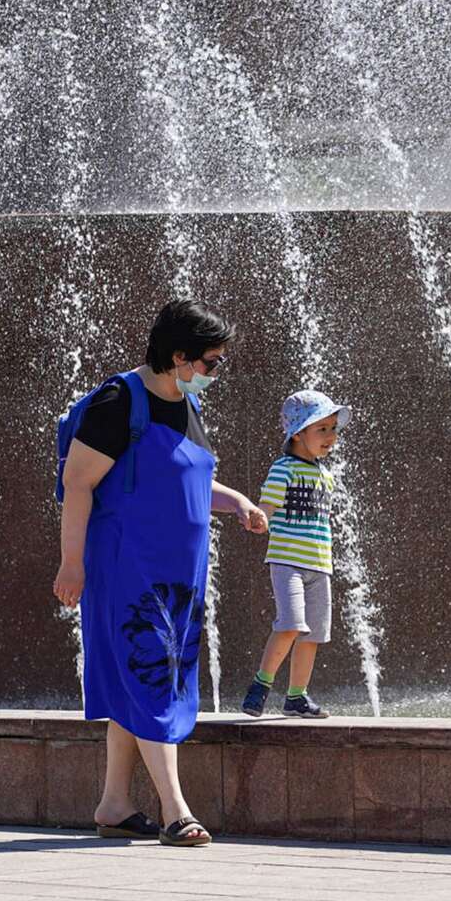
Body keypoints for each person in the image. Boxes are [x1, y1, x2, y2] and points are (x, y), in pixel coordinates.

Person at [53, 300, 269, 847]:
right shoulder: (119, 400)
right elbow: (78, 482)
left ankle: (115, 804)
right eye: (211, 363)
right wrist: (71, 564)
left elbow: (187, 483)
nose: (214, 373)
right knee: (153, 675)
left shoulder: (183, 403)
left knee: (144, 677)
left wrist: (237, 501)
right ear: (178, 356)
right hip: (129, 568)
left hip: (177, 575)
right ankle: (176, 810)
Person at [241, 390, 350, 719]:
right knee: (290, 623)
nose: (331, 437)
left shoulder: (326, 476)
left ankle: (297, 696)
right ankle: (261, 684)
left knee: (313, 633)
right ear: (298, 434)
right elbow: (267, 508)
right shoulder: (283, 468)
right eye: (322, 429)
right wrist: (258, 518)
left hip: (320, 565)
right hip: (288, 561)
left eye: (333, 428)